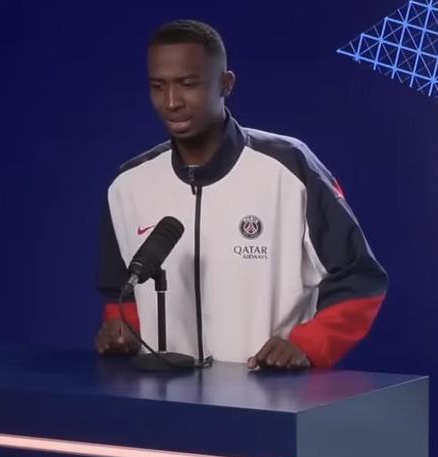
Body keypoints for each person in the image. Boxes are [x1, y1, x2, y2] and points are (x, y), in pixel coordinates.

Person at [95, 19, 387, 370]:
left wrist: (306, 346)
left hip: (270, 393)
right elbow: (121, 294)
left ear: (225, 84)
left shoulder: (290, 168)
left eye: (188, 84)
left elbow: (361, 278)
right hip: (160, 398)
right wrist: (122, 332)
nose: (171, 102)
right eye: (158, 86)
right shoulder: (128, 185)